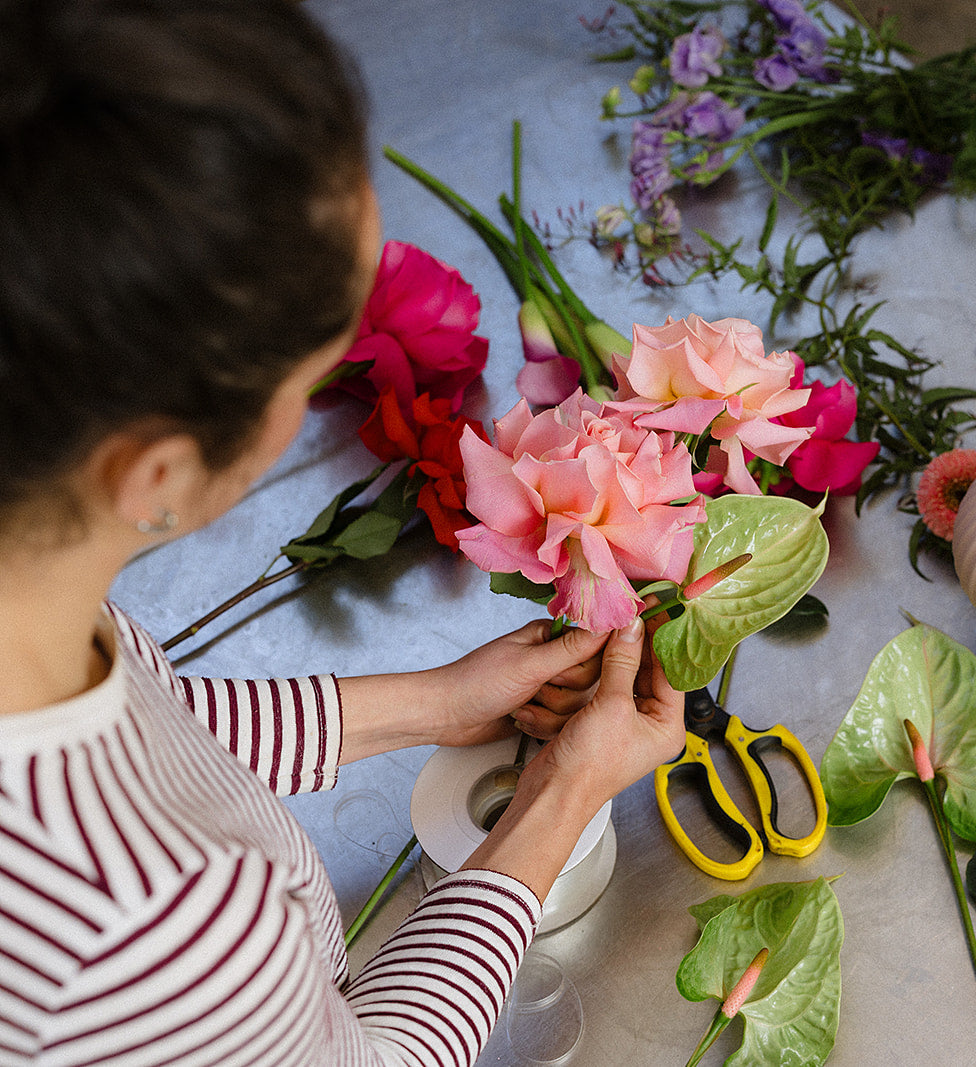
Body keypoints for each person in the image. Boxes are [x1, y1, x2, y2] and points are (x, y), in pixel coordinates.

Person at [0, 1, 685, 1063]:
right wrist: (560, 798)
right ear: (155, 473)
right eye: (318, 364)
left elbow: (158, 732)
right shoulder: (147, 933)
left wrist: (435, 701)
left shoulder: (33, 591)